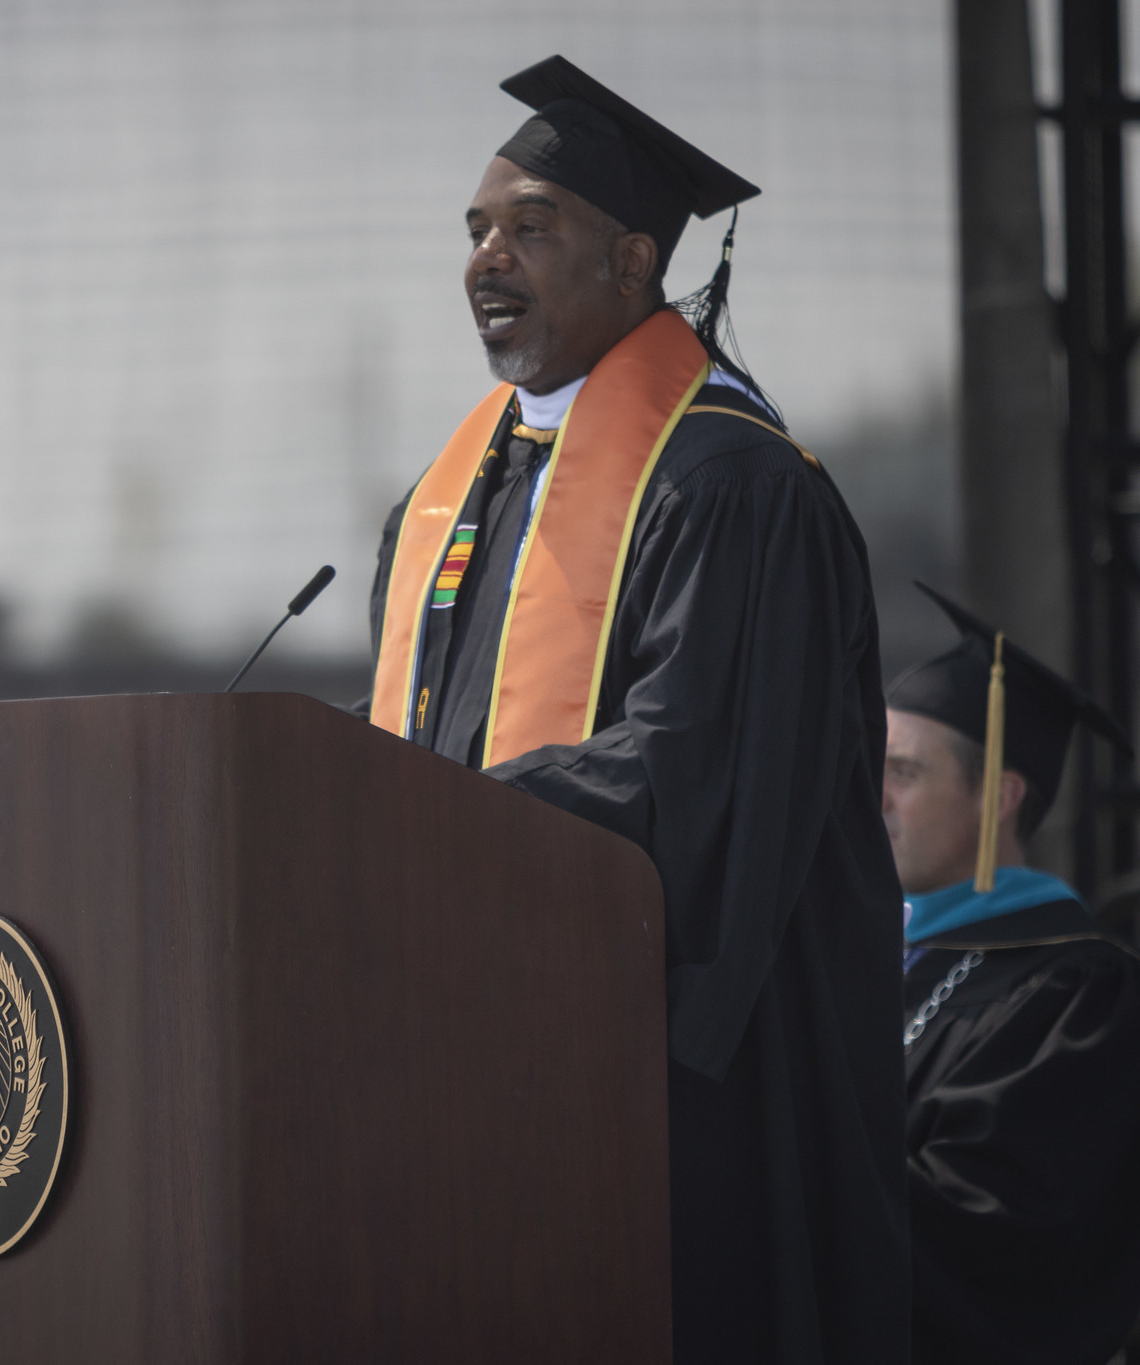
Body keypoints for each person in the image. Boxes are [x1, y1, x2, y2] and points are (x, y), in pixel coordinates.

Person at [365, 55, 907, 1362]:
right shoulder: (451, 500)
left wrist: (404, 822)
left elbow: (697, 777)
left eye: (530, 228)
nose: (487, 259)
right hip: (484, 1050)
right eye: (477, 231)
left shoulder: (732, 487)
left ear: (632, 262)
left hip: (683, 1072)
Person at [886, 583, 1140, 1363]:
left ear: (1001, 796)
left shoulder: (1084, 994)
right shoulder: (861, 957)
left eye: (903, 771)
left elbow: (994, 1242)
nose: (871, 795)